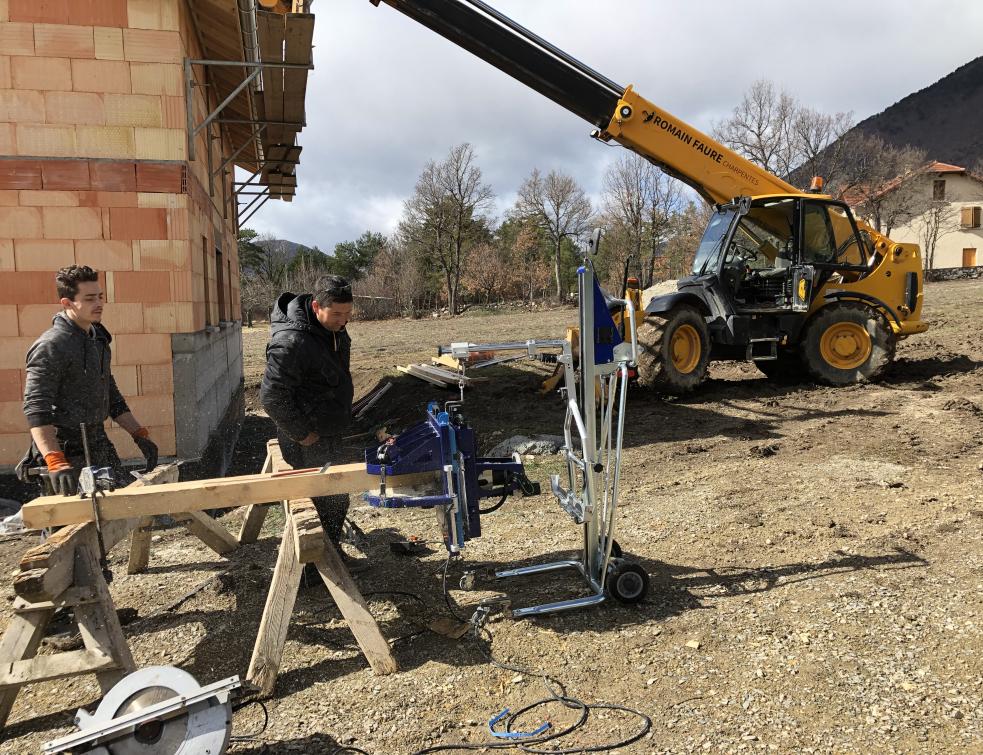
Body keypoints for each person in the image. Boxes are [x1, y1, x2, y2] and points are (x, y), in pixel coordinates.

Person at [19, 265, 158, 496]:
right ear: (67, 303)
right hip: (65, 453)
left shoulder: (98, 339)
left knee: (118, 509)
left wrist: (138, 434)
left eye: (100, 296)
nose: (99, 303)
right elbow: (36, 408)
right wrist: (54, 459)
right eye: (90, 298)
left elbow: (110, 395)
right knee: (70, 517)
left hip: (98, 444)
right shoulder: (52, 346)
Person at [260, 275, 356, 553]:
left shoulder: (332, 329)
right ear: (316, 307)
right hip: (307, 439)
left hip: (328, 431)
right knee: (324, 502)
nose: (344, 320)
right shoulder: (292, 342)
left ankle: (330, 556)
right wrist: (302, 434)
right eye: (337, 314)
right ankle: (316, 568)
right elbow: (271, 396)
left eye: (348, 313)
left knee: (336, 499)